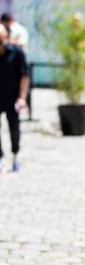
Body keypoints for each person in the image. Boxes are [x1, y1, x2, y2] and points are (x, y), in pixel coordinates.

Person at [0, 24, 29, 173]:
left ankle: (16, 154)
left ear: (6, 37)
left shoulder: (17, 53)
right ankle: (0, 158)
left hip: (12, 98)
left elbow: (24, 76)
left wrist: (22, 97)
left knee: (14, 128)